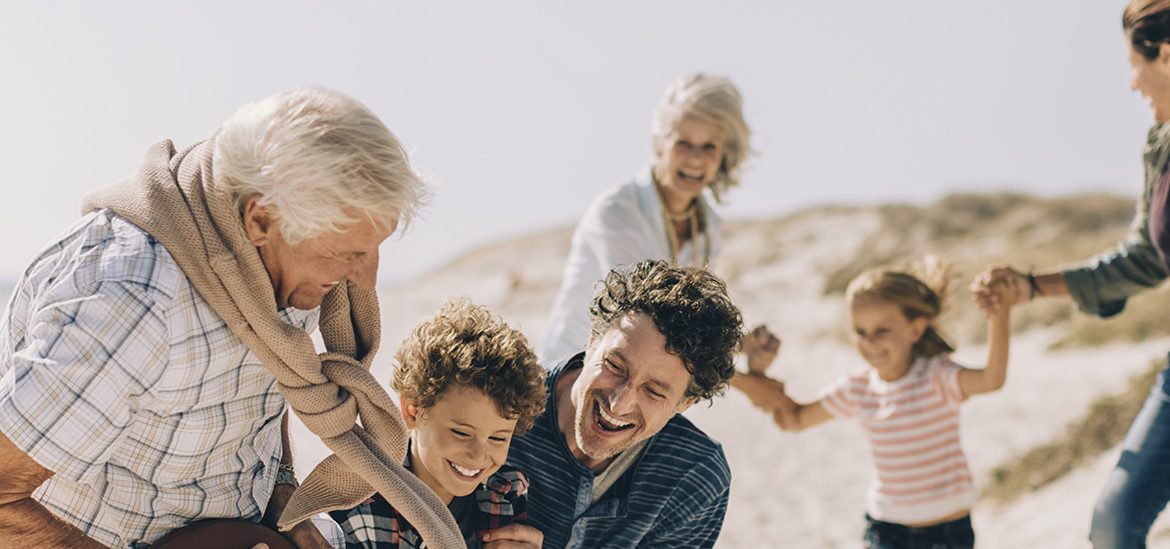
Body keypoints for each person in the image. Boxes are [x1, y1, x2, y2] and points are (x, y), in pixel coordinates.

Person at [0, 87, 459, 548]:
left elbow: (267, 382)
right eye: (349, 252)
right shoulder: (135, 303)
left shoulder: (283, 267)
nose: (366, 276)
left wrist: (282, 491)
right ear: (260, 221)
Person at [975, 2, 1170, 546]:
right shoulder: (1161, 146)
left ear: (1169, 57)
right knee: (1114, 522)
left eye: (1134, 65)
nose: (1132, 84)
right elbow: (1145, 258)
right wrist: (1034, 286)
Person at [754, 260, 1019, 548]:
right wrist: (755, 375)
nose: (870, 342)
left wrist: (999, 314)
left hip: (947, 532)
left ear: (916, 329)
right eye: (860, 331)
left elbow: (992, 379)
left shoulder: (937, 376)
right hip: (887, 531)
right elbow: (794, 419)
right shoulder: (857, 388)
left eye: (882, 330)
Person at [507, 259, 743, 548]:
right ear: (592, 341)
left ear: (684, 404)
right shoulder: (502, 408)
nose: (618, 404)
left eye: (654, 391)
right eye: (615, 366)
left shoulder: (693, 475)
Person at [540, 74, 752, 364]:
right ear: (658, 144)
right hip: (571, 376)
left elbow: (698, 319)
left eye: (709, 147)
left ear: (723, 154)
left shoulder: (708, 225)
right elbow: (645, 320)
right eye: (683, 143)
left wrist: (744, 346)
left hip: (641, 378)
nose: (695, 159)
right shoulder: (617, 213)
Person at [318, 298, 547, 548]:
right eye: (461, 433)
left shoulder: (506, 490)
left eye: (498, 438)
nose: (478, 456)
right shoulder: (359, 511)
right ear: (412, 411)